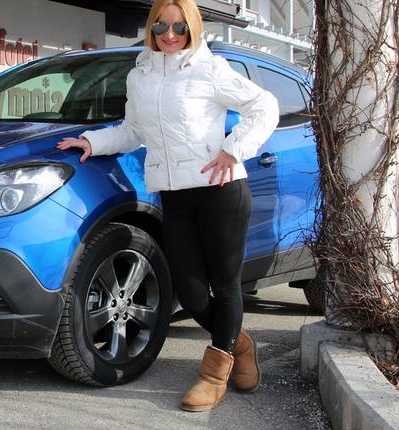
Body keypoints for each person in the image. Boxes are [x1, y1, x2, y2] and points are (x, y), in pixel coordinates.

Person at [57, 0, 279, 412]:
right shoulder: (140, 76)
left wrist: (234, 149)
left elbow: (264, 107)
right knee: (190, 291)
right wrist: (91, 141)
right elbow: (132, 131)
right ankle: (238, 344)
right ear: (152, 28)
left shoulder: (210, 69)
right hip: (174, 196)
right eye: (161, 26)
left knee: (224, 284)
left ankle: (214, 375)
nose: (170, 35)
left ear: (192, 28)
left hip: (221, 190)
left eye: (179, 27)